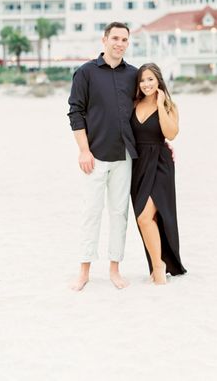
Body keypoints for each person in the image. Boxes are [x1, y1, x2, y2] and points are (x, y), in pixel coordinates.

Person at [67, 22, 138, 291]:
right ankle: (84, 271)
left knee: (119, 213)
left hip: (124, 156)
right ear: (104, 40)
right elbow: (75, 112)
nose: (120, 43)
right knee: (91, 212)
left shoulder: (133, 74)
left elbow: (145, 112)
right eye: (115, 38)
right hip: (94, 156)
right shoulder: (85, 72)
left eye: (124, 40)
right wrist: (83, 150)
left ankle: (114, 269)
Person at [130, 63, 187, 284]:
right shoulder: (133, 104)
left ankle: (159, 266)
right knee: (146, 218)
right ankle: (157, 265)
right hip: (138, 165)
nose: (146, 84)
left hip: (161, 163)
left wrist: (161, 104)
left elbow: (170, 134)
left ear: (159, 81)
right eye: (142, 80)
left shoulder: (170, 105)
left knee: (145, 217)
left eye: (150, 79)